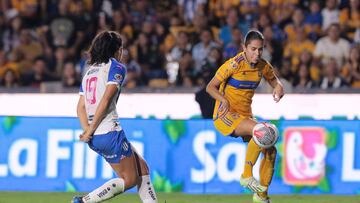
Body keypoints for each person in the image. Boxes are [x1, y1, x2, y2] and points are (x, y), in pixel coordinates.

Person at [73, 31, 157, 203]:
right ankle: (84, 201)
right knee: (130, 180)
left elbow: (80, 107)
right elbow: (105, 101)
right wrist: (90, 129)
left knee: (143, 168)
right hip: (109, 131)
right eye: (122, 48)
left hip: (95, 135)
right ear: (117, 49)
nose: (122, 52)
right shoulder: (116, 67)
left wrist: (87, 131)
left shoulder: (89, 72)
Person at [206, 30, 284, 203]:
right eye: (253, 49)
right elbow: (210, 87)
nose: (257, 53)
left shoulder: (263, 66)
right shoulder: (233, 65)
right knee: (262, 131)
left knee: (271, 149)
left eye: (260, 50)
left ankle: (262, 196)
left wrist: (278, 87)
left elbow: (274, 80)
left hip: (245, 115)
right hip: (225, 115)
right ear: (244, 48)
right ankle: (246, 175)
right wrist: (222, 99)